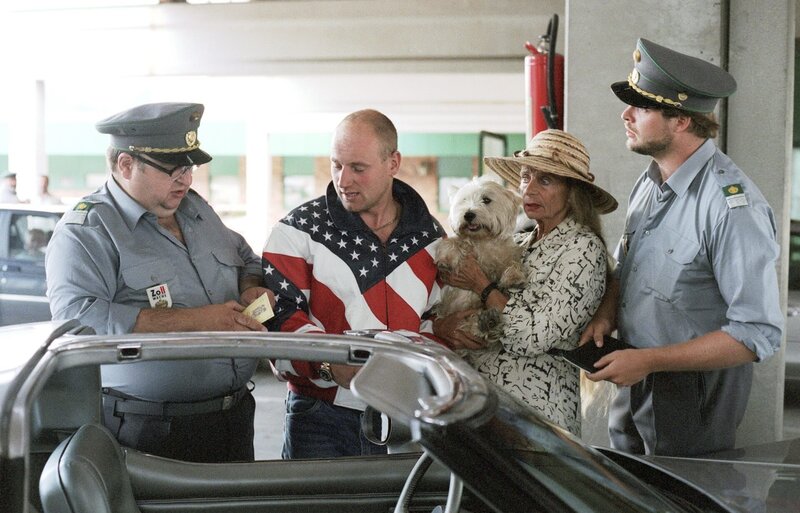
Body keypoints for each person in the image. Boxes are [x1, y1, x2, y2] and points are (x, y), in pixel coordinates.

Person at [580, 38, 783, 457]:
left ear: (682, 122)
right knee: (632, 491)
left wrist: (651, 361)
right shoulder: (650, 182)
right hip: (635, 369)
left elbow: (757, 333)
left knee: (680, 497)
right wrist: (606, 314)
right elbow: (628, 266)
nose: (626, 114)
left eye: (642, 106)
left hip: (693, 387)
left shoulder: (730, 206)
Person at [46, 102, 273, 463]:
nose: (186, 179)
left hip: (232, 416)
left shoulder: (194, 210)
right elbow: (78, 322)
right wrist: (199, 321)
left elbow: (246, 256)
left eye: (189, 167)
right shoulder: (88, 231)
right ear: (125, 164)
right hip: (149, 429)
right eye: (173, 169)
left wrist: (250, 285)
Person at [261, 109, 445, 459]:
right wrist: (331, 365)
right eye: (336, 165)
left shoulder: (431, 237)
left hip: (408, 417)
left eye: (358, 168)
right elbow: (277, 322)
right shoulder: (295, 231)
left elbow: (440, 320)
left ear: (393, 162)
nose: (343, 180)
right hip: (320, 417)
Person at [432, 129, 617, 436]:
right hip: (481, 412)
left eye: (544, 180)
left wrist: (481, 284)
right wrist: (443, 327)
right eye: (525, 176)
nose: (528, 189)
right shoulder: (517, 242)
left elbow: (531, 336)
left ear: (572, 192)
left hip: (535, 419)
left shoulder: (583, 249)